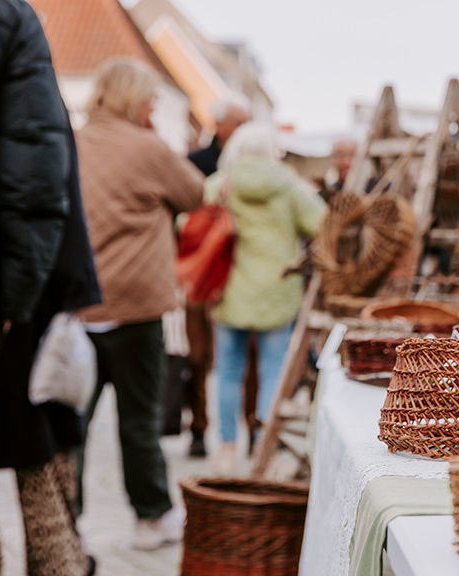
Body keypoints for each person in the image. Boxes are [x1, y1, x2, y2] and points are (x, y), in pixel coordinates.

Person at [0, 0, 100, 573]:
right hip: (7, 298)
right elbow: (41, 178)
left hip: (4, 293)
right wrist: (19, 298)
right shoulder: (9, 21)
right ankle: (56, 563)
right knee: (34, 453)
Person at [76, 58, 205, 550]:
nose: (154, 106)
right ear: (136, 100)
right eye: (151, 98)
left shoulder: (74, 142)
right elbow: (193, 192)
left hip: (80, 307)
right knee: (139, 419)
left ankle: (71, 523)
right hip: (136, 305)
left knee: (74, 423)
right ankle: (150, 518)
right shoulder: (149, 148)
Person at [206, 123, 326, 475]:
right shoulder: (290, 186)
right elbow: (323, 225)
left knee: (228, 371)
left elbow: (189, 223)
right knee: (272, 370)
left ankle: (226, 448)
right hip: (278, 287)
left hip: (229, 287)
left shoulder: (221, 183)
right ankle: (264, 448)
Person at [184, 97, 252, 459]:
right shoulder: (196, 164)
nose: (242, 129)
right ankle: (198, 427)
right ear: (220, 125)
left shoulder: (254, 168)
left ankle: (250, 428)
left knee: (238, 359)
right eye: (237, 122)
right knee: (199, 355)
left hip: (237, 281)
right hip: (204, 273)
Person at [319, 136, 359, 202]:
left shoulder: (376, 189)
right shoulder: (326, 195)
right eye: (341, 155)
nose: (346, 162)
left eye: (351, 155)